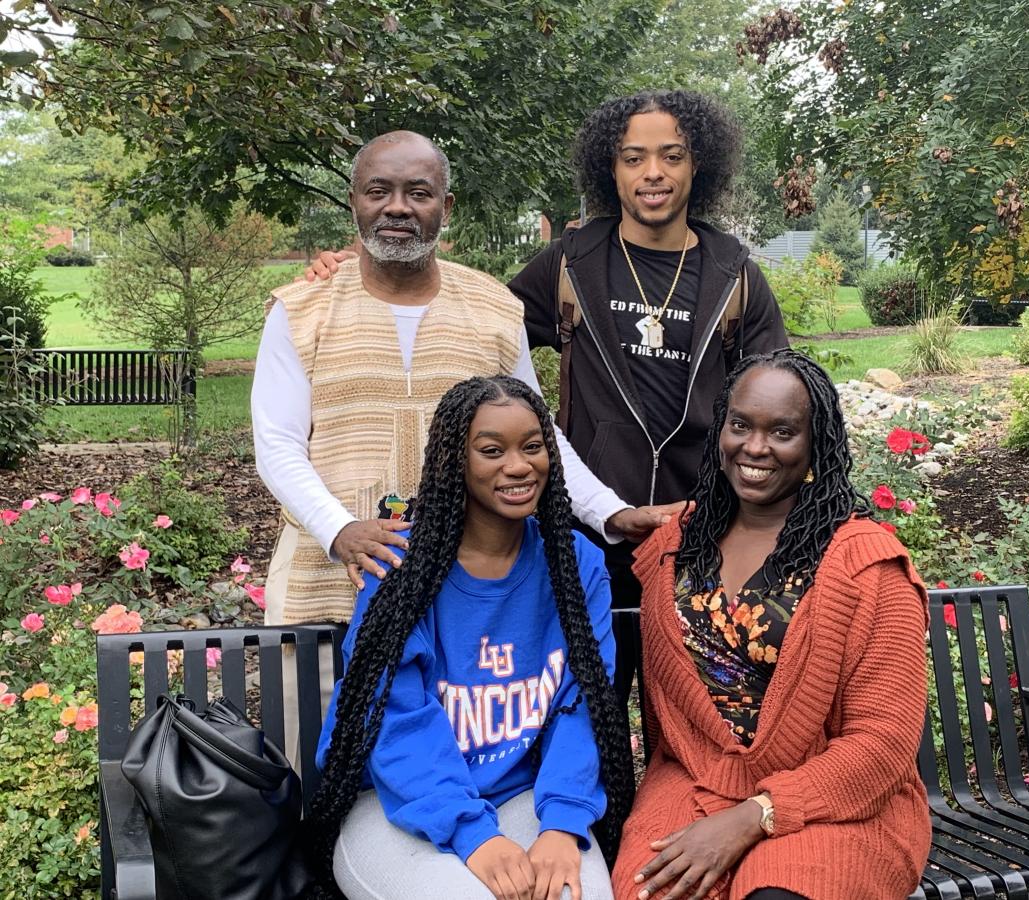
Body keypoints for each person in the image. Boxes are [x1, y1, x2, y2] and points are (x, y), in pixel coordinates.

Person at [305, 91, 788, 625]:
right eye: (633, 158)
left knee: (689, 697)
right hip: (585, 530)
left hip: (699, 527)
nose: (653, 172)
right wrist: (370, 264)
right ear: (610, 168)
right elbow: (469, 318)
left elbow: (779, 401)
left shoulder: (735, 275)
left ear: (700, 165)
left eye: (672, 156)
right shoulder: (570, 264)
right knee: (588, 687)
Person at [252, 130, 669, 632]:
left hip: (463, 593)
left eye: (419, 193)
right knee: (322, 711)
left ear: (445, 206)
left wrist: (610, 513)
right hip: (325, 585)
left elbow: (537, 434)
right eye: (378, 191)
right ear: (354, 202)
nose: (398, 208)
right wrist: (339, 529)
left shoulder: (492, 308)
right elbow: (278, 443)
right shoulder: (302, 311)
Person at [611, 349, 931, 900]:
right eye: (741, 425)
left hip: (838, 801)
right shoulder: (675, 545)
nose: (755, 447)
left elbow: (883, 744)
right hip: (694, 781)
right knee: (655, 890)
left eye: (782, 431)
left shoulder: (866, 566)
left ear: (814, 444)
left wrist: (754, 815)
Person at [308, 375, 635, 900]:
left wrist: (562, 823)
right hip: (399, 804)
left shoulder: (575, 563)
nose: (518, 465)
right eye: (491, 450)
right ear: (453, 461)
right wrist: (472, 833)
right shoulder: (401, 567)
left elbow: (582, 703)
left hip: (525, 796)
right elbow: (395, 720)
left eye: (532, 447)